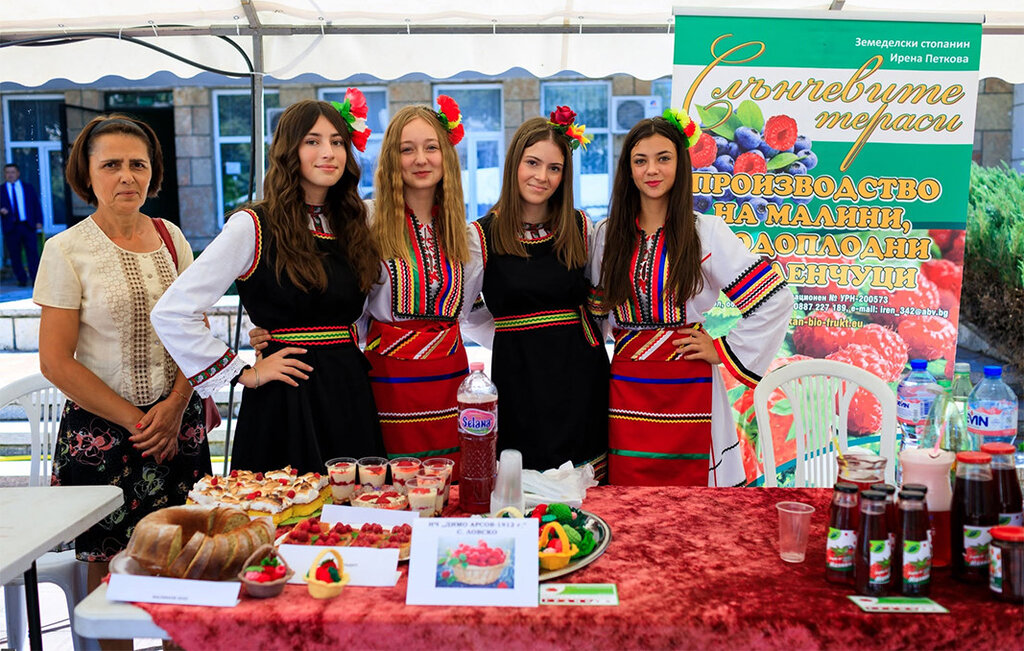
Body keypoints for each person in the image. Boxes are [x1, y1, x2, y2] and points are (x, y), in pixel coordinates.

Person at [152, 96, 385, 474]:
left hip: (348, 389)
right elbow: (173, 311)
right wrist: (243, 372)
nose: (328, 152)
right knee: (281, 502)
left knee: (353, 504)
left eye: (337, 142)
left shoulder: (356, 224)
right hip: (285, 394)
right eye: (312, 141)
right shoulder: (253, 225)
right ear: (289, 150)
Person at [35, 115, 211, 592]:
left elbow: (195, 330)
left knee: (187, 556)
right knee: (112, 567)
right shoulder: (66, 250)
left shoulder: (172, 238)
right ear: (86, 174)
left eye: (138, 164)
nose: (127, 176)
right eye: (111, 165)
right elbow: (55, 361)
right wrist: (141, 423)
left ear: (153, 172)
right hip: (104, 435)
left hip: (179, 424)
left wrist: (174, 407)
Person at [591, 111, 794, 487]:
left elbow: (773, 299)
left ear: (680, 165)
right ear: (628, 170)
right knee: (628, 498)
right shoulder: (606, 235)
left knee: (693, 499)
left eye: (663, 158)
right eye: (640, 160)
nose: (652, 170)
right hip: (625, 390)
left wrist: (721, 349)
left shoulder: (705, 232)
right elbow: (594, 315)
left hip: (690, 386)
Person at [467, 109, 609, 478]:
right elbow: (466, 311)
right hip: (520, 374)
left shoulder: (581, 227)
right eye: (532, 163)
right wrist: (508, 336)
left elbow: (600, 301)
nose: (542, 177)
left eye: (554, 168)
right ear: (514, 162)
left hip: (580, 372)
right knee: (526, 481)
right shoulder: (481, 236)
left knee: (587, 484)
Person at [2, 163, 43, 286]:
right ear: (5, 174)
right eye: (8, 172)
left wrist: (39, 221)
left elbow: (36, 205)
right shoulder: (1, 190)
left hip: (27, 226)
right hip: (11, 227)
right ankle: (22, 279)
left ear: (18, 173)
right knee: (15, 255)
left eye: (12, 172)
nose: (10, 175)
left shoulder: (27, 188)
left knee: (32, 253)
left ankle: (36, 279)